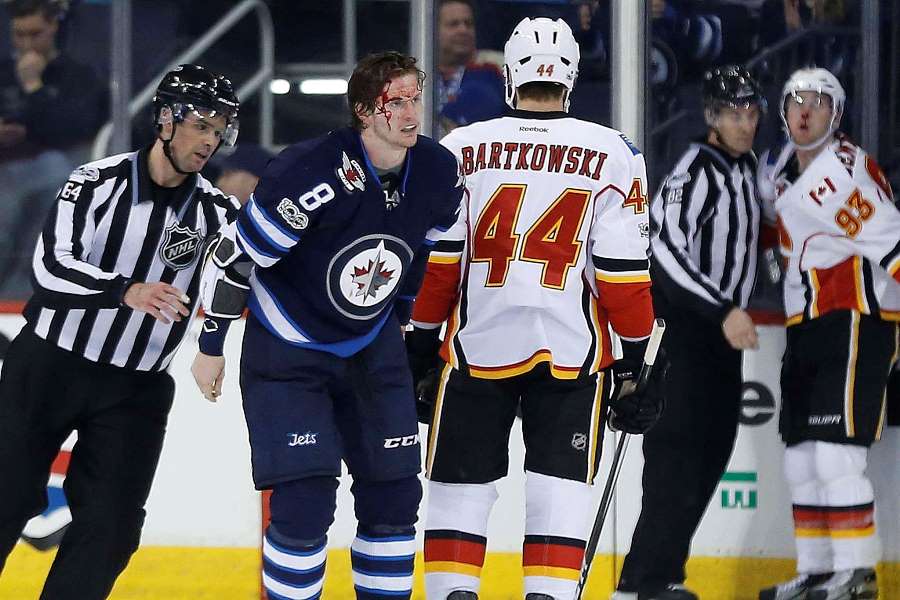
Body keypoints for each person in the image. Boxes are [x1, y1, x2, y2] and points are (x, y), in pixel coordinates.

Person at [190, 51, 465, 600]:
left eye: (416, 98)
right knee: (304, 502)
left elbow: (416, 262)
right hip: (290, 349)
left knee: (393, 501)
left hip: (372, 347)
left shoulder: (438, 172)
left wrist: (411, 340)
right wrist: (212, 344)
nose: (412, 113)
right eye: (396, 102)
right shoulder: (307, 171)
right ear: (365, 111)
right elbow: (235, 258)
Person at [405, 17, 663, 600]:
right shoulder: (614, 152)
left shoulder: (461, 149)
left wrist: (419, 343)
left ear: (509, 74)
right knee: (558, 493)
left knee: (457, 492)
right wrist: (638, 359)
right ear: (571, 75)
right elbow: (622, 276)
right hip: (573, 357)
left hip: (474, 351)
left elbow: (441, 263)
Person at [0, 63, 241, 599]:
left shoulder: (217, 211)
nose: (211, 139)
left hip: (137, 387)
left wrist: (212, 344)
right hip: (49, 366)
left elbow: (239, 277)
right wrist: (127, 290)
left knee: (111, 528)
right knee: (5, 497)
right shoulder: (93, 182)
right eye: (202, 123)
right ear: (165, 119)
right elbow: (50, 268)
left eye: (219, 127)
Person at [613, 66, 765, 600]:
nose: (744, 123)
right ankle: (640, 583)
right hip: (685, 336)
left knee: (710, 455)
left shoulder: (747, 170)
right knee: (676, 456)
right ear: (711, 117)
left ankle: (662, 575)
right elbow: (664, 251)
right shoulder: (697, 169)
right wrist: (722, 308)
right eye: (732, 113)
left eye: (750, 112)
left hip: (720, 343)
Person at [756, 67, 900, 600]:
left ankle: (857, 573)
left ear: (835, 114)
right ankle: (818, 569)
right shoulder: (780, 173)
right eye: (795, 101)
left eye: (817, 101)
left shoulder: (843, 175)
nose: (803, 110)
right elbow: (781, 226)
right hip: (808, 325)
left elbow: (892, 243)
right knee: (801, 457)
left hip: (855, 317)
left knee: (837, 454)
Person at [0, 0, 107, 299]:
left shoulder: (78, 76)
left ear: (54, 28)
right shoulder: (2, 72)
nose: (26, 43)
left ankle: (20, 293)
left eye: (35, 34)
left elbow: (73, 130)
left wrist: (33, 87)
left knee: (53, 178)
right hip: (6, 165)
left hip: (58, 168)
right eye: (19, 35)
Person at [437, 0, 506, 136]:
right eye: (453, 24)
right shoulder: (414, 69)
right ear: (432, 30)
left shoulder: (499, 65)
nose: (463, 30)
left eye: (468, 24)